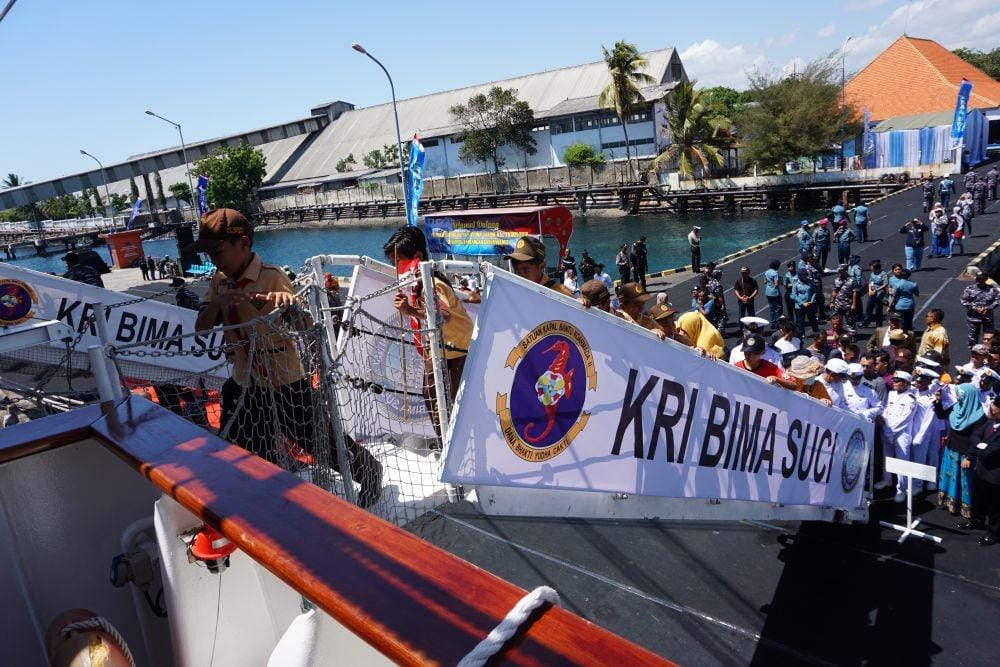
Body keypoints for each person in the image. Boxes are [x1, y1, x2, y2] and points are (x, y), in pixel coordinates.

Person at [189, 208, 383, 507]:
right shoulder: (219, 281)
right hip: (246, 383)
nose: (213, 259)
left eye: (218, 251)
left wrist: (291, 307)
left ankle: (369, 471)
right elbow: (201, 329)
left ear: (242, 244)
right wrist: (219, 303)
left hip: (284, 381)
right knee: (247, 448)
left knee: (320, 440)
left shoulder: (273, 277)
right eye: (209, 253)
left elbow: (306, 327)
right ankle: (266, 502)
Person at [386, 226, 474, 420]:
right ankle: (444, 443)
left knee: (449, 401)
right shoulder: (416, 283)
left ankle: (450, 444)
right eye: (394, 264)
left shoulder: (431, 282)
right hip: (439, 349)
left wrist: (409, 311)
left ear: (417, 257)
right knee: (431, 394)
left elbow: (443, 315)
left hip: (458, 347)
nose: (397, 269)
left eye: (399, 262)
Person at [936, 375, 987, 520]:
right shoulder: (956, 407)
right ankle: (949, 502)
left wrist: (969, 456)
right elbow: (941, 415)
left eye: (961, 396)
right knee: (950, 477)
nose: (958, 399)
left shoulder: (979, 416)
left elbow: (977, 439)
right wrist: (938, 401)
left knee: (964, 481)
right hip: (951, 449)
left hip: (964, 454)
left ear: (969, 397)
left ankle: (966, 508)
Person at [881, 370, 918, 501]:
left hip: (902, 434)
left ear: (906, 383)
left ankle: (902, 489)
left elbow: (905, 419)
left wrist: (890, 431)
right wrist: (886, 427)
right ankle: (887, 479)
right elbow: (885, 411)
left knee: (902, 461)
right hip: (887, 429)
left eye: (897, 381)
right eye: (894, 380)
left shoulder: (911, 399)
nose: (894, 382)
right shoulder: (891, 394)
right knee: (887, 456)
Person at [967, 395, 1000, 546]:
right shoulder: (990, 422)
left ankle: (993, 534)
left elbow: (988, 453)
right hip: (981, 469)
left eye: (994, 409)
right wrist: (982, 445)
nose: (991, 410)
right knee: (977, 499)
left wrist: (980, 447)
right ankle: (977, 521)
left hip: (994, 475)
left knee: (994, 507)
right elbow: (974, 435)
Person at [505, 236, 575, 297]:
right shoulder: (512, 292)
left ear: (541, 267)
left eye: (526, 271)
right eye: (517, 271)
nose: (520, 276)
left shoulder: (560, 295)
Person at [961, 267, 1000, 349]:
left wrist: (987, 308)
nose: (979, 281)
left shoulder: (992, 289)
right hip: (973, 318)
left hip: (987, 317)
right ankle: (973, 354)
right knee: (972, 339)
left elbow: (997, 301)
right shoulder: (969, 289)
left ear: (985, 279)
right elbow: (964, 301)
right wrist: (975, 308)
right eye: (978, 279)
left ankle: (988, 353)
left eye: (981, 279)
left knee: (989, 338)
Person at [888, 265, 919, 332]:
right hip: (910, 306)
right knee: (909, 322)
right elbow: (917, 294)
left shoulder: (898, 284)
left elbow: (894, 296)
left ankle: (899, 336)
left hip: (899, 306)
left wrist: (889, 306)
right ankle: (909, 337)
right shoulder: (913, 284)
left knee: (899, 322)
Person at [791, 267, 819, 336]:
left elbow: (814, 292)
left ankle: (815, 330)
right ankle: (802, 333)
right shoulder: (796, 283)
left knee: (812, 318)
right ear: (800, 276)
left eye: (806, 274)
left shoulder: (810, 281)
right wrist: (802, 303)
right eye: (804, 275)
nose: (806, 276)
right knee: (800, 320)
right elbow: (794, 295)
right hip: (800, 305)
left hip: (809, 304)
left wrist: (811, 301)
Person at [860, 259, 888, 329]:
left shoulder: (883, 274)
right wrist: (869, 290)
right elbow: (870, 282)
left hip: (879, 294)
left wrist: (876, 290)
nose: (870, 268)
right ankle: (866, 322)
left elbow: (885, 285)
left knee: (878, 309)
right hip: (872, 293)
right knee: (869, 307)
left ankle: (878, 324)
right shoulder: (872, 273)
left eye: (871, 267)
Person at [763, 259, 783, 329]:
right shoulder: (775, 273)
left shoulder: (767, 272)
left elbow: (765, 282)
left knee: (772, 308)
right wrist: (780, 280)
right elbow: (776, 284)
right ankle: (778, 324)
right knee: (778, 308)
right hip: (775, 292)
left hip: (768, 292)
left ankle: (772, 322)